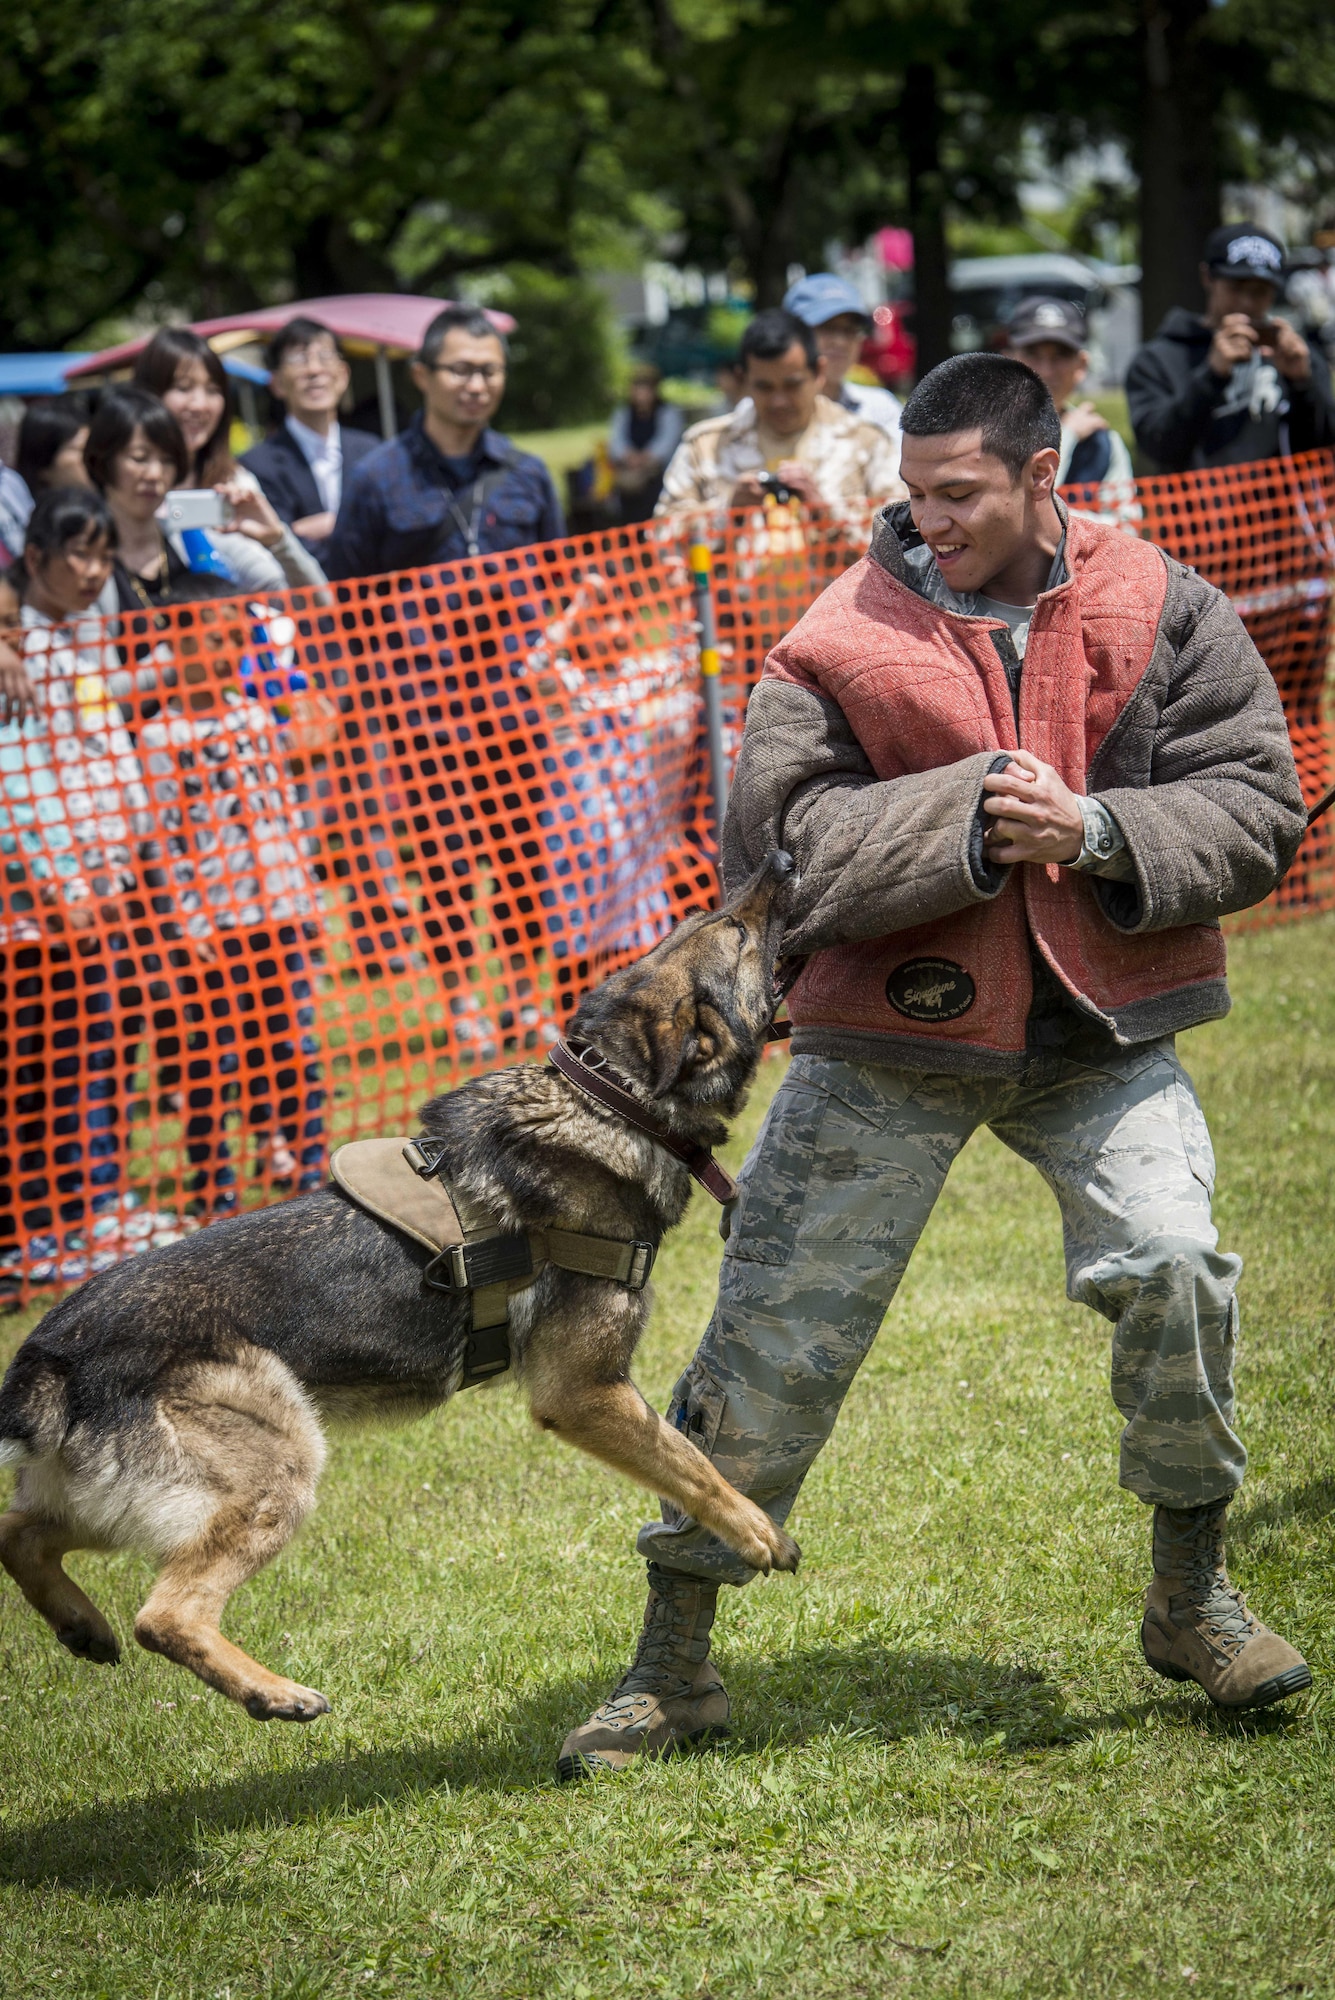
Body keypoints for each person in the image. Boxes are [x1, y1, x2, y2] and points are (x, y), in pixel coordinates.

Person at [557, 351, 1312, 1782]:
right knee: (771, 1337)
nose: (928, 518)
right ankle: (668, 1664)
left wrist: (1096, 833)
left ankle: (1189, 1598)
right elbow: (777, 850)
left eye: (956, 492)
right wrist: (969, 814)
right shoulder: (838, 634)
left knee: (1177, 1264)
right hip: (882, 1044)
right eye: (913, 492)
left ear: (1042, 474)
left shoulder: (1158, 603)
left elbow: (1255, 801)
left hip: (1100, 1032)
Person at [325, 304, 564, 580]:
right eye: (460, 370)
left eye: (489, 371)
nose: (476, 387)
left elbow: (557, 580)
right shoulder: (375, 479)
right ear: (421, 376)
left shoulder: (528, 473)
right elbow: (348, 595)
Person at [655, 308, 904, 519]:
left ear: (819, 373)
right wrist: (728, 514)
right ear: (743, 379)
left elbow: (904, 539)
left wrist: (826, 514)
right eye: (764, 387)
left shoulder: (867, 443)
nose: (779, 401)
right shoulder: (703, 448)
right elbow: (661, 541)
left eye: (792, 385)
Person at [1126, 224, 1335, 472]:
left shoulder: (1295, 355)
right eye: (1235, 287)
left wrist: (1303, 384)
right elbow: (1157, 446)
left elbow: (1324, 446)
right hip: (1197, 508)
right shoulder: (1158, 359)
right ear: (1207, 277)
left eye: (1260, 291)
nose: (1246, 302)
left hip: (1283, 507)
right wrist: (1211, 376)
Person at [133, 328, 325, 591]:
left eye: (213, 390)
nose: (199, 404)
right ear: (150, 394)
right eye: (183, 388)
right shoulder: (129, 491)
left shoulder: (235, 483)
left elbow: (313, 598)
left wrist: (278, 540)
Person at [85, 388, 268, 610]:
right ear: (102, 460)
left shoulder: (196, 539)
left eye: (167, 460)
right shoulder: (83, 560)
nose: (155, 474)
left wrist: (277, 539)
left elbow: (287, 589)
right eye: (139, 458)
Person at [240, 317, 381, 562]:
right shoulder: (256, 466)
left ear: (343, 375)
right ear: (277, 383)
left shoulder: (372, 451)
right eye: (299, 360)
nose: (314, 370)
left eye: (325, 357)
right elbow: (268, 547)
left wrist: (316, 528)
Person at [1006, 297, 1134, 488]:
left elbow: (1123, 517)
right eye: (1032, 354)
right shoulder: (985, 434)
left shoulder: (1102, 443)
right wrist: (1068, 436)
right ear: (1008, 360)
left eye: (1061, 355)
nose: (1046, 370)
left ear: (1081, 365)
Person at [782, 272, 904, 443]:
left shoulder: (880, 409)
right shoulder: (769, 411)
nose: (840, 342)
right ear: (793, 335)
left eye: (850, 330)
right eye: (827, 328)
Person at [607, 365, 685, 523]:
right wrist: (629, 456)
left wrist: (646, 457)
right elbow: (616, 442)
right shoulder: (623, 413)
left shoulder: (668, 412)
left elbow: (667, 443)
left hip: (658, 476)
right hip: (629, 475)